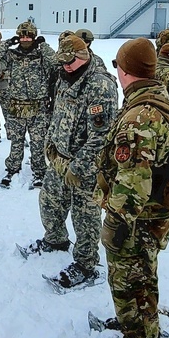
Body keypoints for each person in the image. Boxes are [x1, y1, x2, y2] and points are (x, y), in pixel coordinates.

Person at [88, 38, 169, 338]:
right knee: (143, 279)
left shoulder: (140, 116)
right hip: (151, 215)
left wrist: (116, 222)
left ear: (125, 71)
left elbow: (134, 178)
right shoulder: (158, 97)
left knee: (131, 283)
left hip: (136, 219)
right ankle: (140, 328)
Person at [24, 35, 117, 291]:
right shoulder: (65, 78)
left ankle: (87, 265)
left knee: (85, 216)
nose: (66, 65)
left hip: (86, 166)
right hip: (59, 160)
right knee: (49, 200)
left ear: (84, 57)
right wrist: (51, 145)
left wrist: (79, 165)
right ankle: (55, 240)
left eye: (70, 61)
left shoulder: (100, 85)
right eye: (62, 61)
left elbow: (102, 135)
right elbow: (59, 114)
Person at [0, 21, 57, 188]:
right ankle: (12, 168)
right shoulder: (12, 55)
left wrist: (44, 45)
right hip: (16, 105)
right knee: (16, 140)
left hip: (38, 105)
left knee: (37, 141)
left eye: (29, 36)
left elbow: (55, 61)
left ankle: (39, 171)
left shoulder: (41, 55)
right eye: (22, 36)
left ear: (34, 37)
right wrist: (7, 43)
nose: (25, 39)